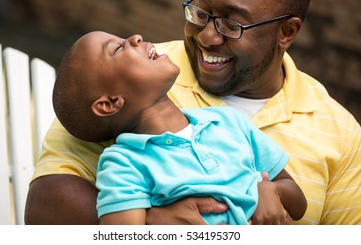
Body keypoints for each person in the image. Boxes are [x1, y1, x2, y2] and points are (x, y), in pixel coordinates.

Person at [25, 0, 361, 225]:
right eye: (201, 11)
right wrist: (152, 224)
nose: (207, 36)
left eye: (232, 25)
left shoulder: (341, 134)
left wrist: (270, 193)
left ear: (286, 32)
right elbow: (45, 203)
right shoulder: (132, 85)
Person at [51, 31, 307, 225]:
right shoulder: (124, 165)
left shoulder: (228, 121)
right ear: (109, 104)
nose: (136, 37)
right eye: (117, 48)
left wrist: (270, 190)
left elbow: (298, 201)